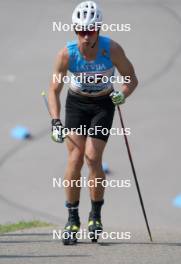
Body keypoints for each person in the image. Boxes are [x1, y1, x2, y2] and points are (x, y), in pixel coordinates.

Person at [48, 1, 138, 245]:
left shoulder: (113, 50)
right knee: (74, 160)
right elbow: (54, 90)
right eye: (80, 30)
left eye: (90, 30)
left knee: (92, 158)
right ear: (74, 29)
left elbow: (131, 79)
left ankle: (96, 215)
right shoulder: (66, 54)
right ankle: (72, 217)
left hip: (102, 105)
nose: (85, 36)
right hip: (76, 104)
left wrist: (123, 93)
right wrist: (56, 122)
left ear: (99, 28)